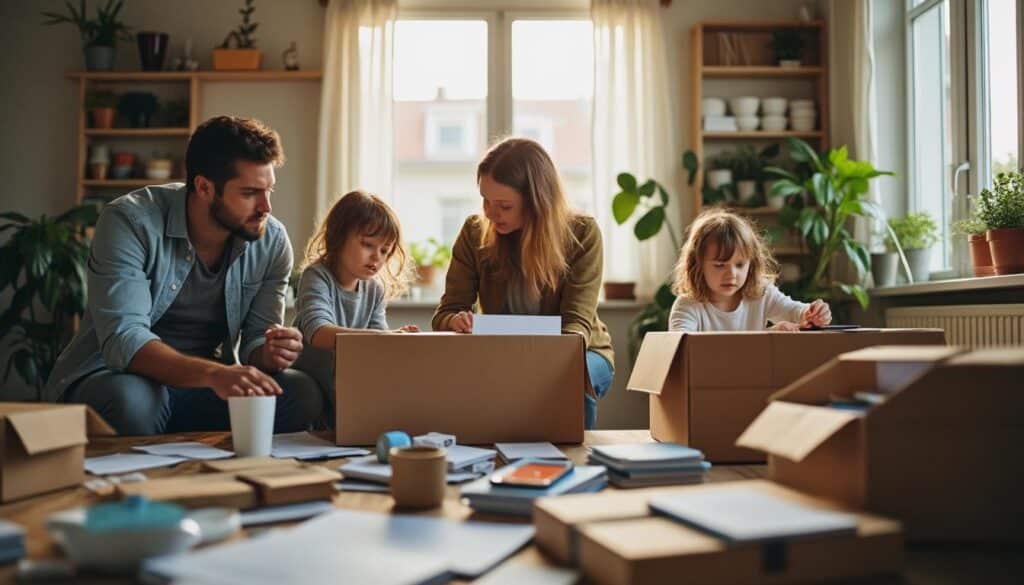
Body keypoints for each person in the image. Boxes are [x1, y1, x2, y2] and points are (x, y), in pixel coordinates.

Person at [44, 116, 323, 435]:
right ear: (204, 187)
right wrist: (215, 375)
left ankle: (177, 436)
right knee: (132, 402)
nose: (266, 207)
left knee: (300, 394)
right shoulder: (130, 221)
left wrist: (272, 353)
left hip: (205, 384)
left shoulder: (270, 240)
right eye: (250, 193)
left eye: (269, 190)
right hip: (116, 375)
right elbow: (125, 339)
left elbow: (256, 341)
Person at [432, 137, 614, 429]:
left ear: (537, 202)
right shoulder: (474, 232)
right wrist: (455, 321)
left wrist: (535, 369)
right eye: (485, 200)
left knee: (573, 382)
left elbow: (576, 326)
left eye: (504, 206)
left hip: (579, 353)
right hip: (501, 354)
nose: (490, 213)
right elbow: (445, 313)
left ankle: (576, 455)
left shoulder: (582, 233)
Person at [292, 190, 418, 412]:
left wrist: (397, 341)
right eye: (368, 245)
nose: (377, 257)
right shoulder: (317, 276)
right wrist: (387, 337)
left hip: (347, 385)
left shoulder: (374, 290)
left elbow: (378, 346)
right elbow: (319, 333)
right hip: (312, 386)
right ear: (338, 237)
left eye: (385, 250)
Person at [668, 208, 831, 332]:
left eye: (740, 265)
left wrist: (813, 313)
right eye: (720, 265)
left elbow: (795, 312)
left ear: (751, 264)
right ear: (697, 265)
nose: (732, 275)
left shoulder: (761, 292)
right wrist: (769, 335)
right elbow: (683, 349)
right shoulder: (687, 306)